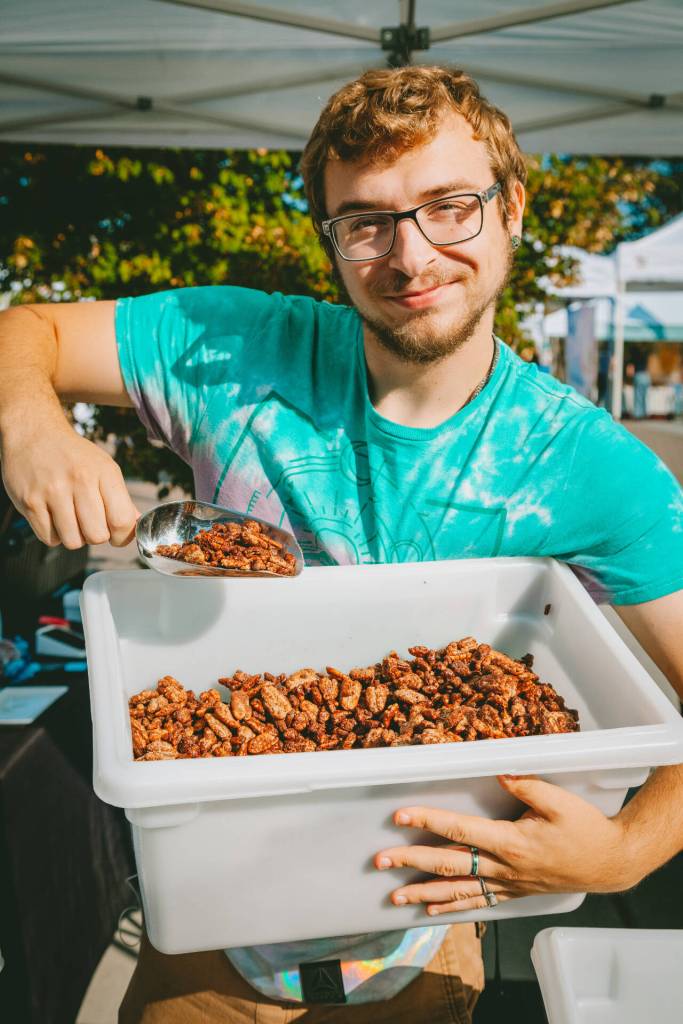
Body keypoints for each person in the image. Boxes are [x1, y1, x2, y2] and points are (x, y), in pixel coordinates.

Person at [1, 66, 682, 1024]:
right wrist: (33, 428)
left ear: (511, 206)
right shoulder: (232, 349)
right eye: (365, 222)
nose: (410, 256)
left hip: (424, 944)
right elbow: (22, 330)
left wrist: (627, 851)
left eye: (449, 206)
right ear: (329, 238)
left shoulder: (589, 466)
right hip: (204, 948)